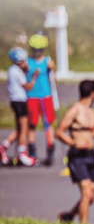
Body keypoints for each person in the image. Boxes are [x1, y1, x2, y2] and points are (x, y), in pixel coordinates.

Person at [55, 80, 94, 224]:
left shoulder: (90, 111)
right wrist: (72, 143)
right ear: (93, 93)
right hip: (77, 156)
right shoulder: (75, 109)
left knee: (91, 197)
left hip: (90, 155)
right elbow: (59, 132)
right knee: (86, 192)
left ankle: (68, 216)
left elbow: (91, 130)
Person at [25, 33, 57, 166]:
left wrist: (52, 69)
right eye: (35, 50)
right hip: (32, 96)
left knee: (48, 123)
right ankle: (32, 151)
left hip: (46, 95)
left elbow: (54, 80)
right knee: (32, 123)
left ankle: (50, 149)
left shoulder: (47, 61)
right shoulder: (27, 62)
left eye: (40, 50)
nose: (37, 52)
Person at [2, 47, 37, 166]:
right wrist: (34, 78)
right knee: (24, 129)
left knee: (19, 130)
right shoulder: (17, 71)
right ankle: (22, 153)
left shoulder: (12, 70)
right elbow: (28, 86)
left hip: (15, 101)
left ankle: (3, 147)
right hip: (20, 101)